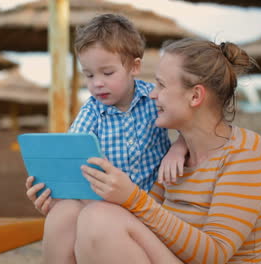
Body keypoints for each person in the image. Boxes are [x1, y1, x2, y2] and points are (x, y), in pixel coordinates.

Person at [29, 37, 261, 263]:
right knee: (65, 215)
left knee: (98, 219)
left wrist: (131, 197)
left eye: (161, 85)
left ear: (195, 96)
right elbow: (141, 221)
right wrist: (65, 196)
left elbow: (215, 254)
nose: (153, 94)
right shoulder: (174, 157)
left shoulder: (245, 152)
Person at [26, 13, 187, 263]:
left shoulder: (153, 98)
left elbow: (186, 125)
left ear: (134, 66)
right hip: (101, 205)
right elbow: (70, 155)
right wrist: (52, 190)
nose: (97, 84)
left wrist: (179, 147)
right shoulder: (92, 112)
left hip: (148, 208)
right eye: (89, 75)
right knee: (62, 213)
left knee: (85, 215)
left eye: (107, 73)